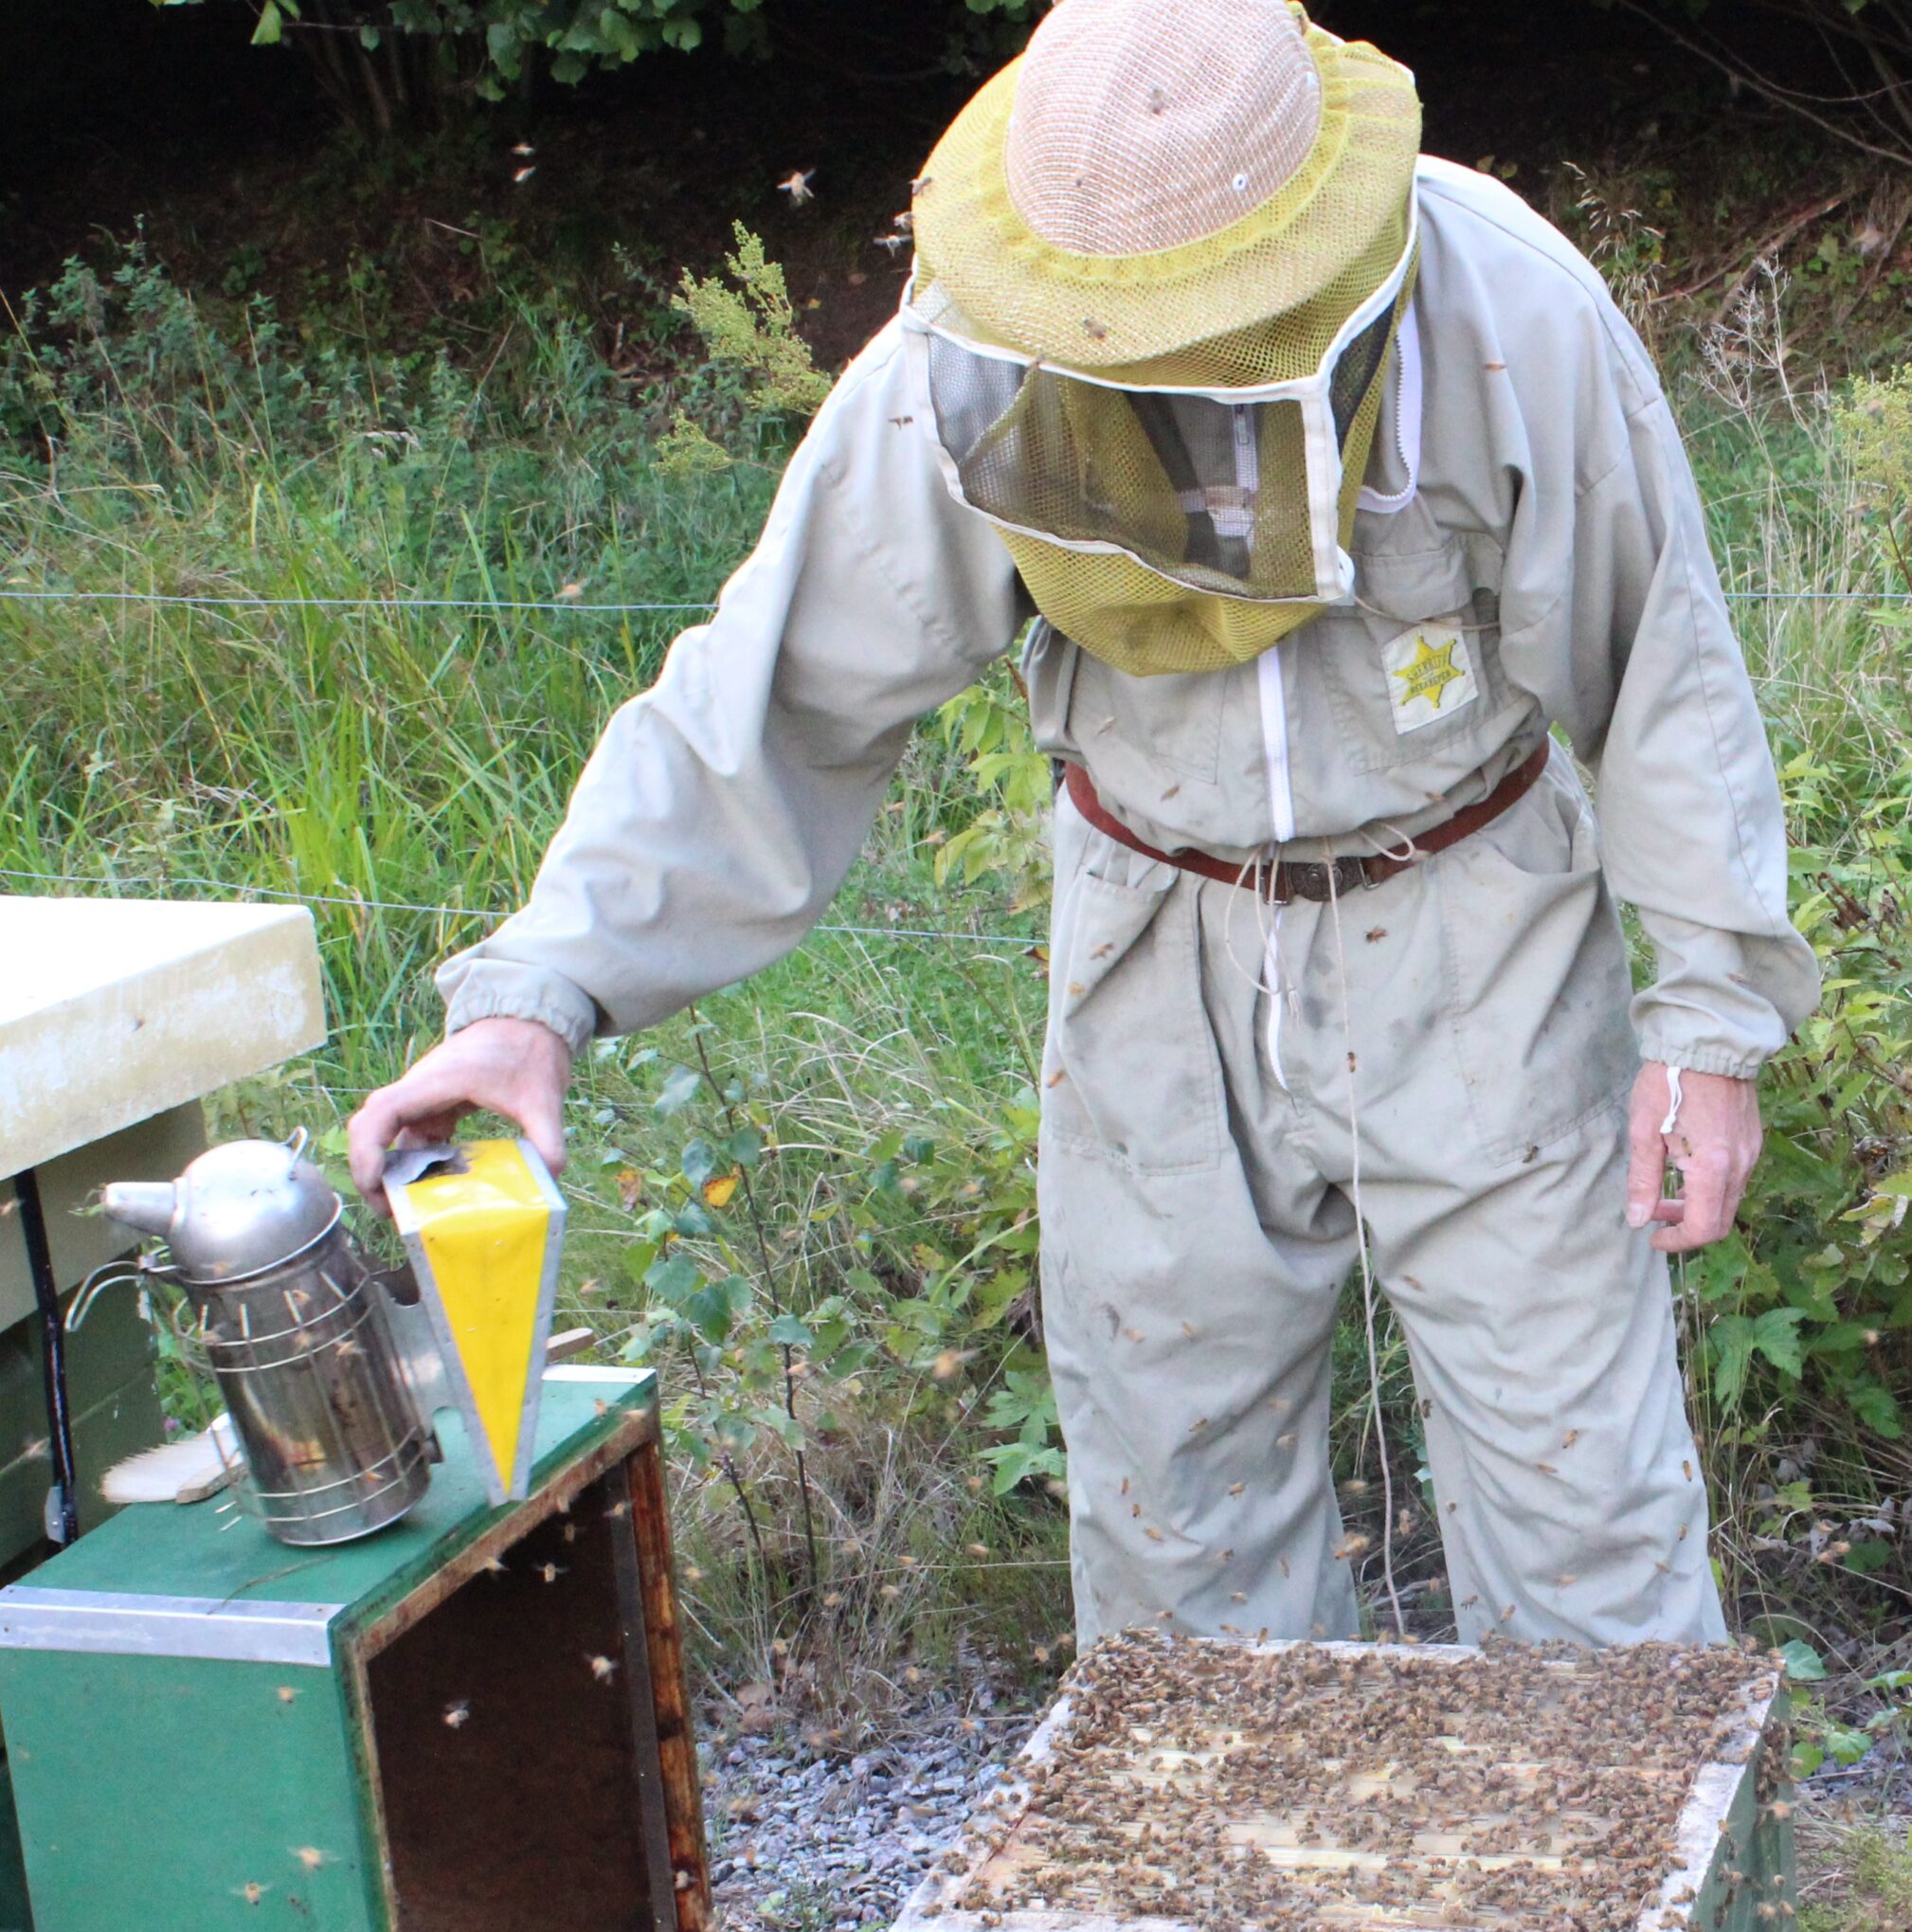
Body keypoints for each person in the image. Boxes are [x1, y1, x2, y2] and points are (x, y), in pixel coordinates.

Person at [349, 0, 1818, 1652]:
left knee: (1584, 1512)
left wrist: (1706, 1020)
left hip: (1481, 922)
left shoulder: (1503, 310)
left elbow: (1656, 670)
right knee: (1179, 1524)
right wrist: (533, 995)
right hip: (1152, 945)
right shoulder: (965, 357)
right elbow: (770, 697)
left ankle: (1615, 1900)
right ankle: (1250, 1905)